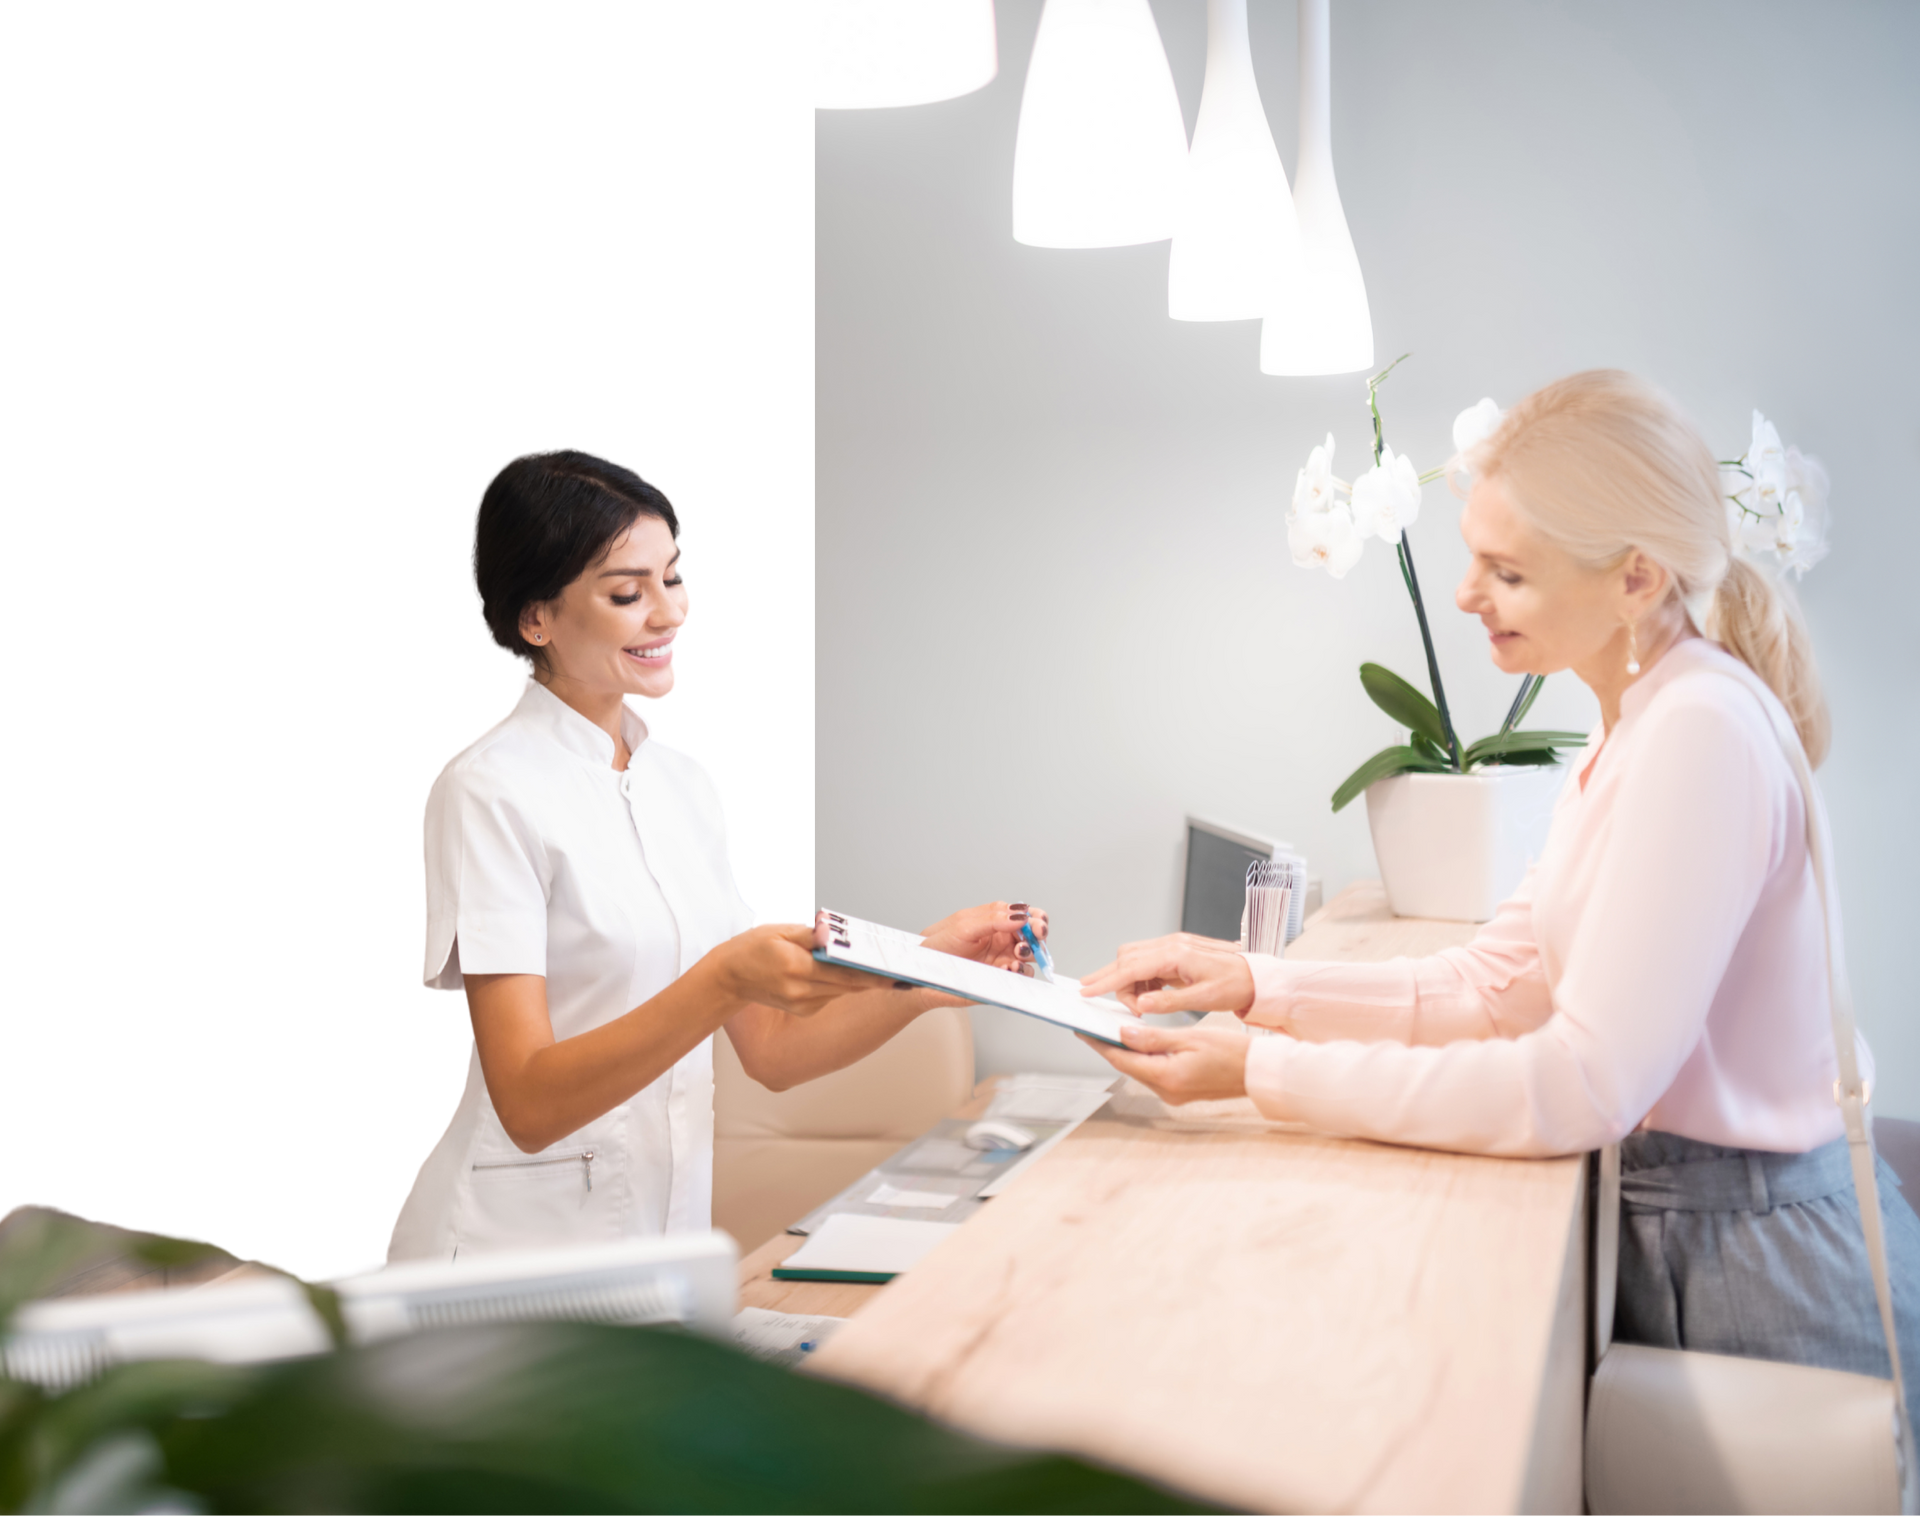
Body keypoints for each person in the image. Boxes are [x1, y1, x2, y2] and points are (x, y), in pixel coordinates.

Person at [1076, 370, 1920, 1416]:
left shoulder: (1700, 732)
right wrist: (1255, 983)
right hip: (1703, 1233)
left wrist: (1264, 1072)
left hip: (1760, 1274)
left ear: (1636, 578)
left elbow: (1580, 1083)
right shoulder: (1634, 723)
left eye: (1507, 571)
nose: (1469, 593)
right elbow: (1496, 982)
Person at [386, 447, 1043, 1260]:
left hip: (661, 1248)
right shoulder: (486, 790)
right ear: (536, 618)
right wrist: (721, 977)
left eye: (674, 576)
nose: (669, 612)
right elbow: (526, 1099)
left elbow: (772, 1048)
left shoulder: (684, 784)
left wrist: (928, 971)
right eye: (627, 592)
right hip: (510, 1259)